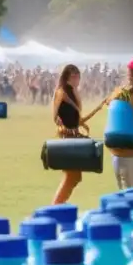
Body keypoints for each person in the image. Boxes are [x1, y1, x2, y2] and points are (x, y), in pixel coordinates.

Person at [82, 57, 133, 189]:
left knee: (124, 198)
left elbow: (106, 106)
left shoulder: (117, 93)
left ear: (128, 73)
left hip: (117, 155)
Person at [52, 64, 88, 205]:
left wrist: (80, 123)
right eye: (73, 76)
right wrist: (63, 126)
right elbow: (55, 116)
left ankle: (60, 203)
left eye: (77, 75)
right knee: (71, 176)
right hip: (67, 137)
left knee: (75, 176)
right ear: (66, 77)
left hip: (74, 135)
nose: (76, 78)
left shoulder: (73, 91)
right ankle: (56, 205)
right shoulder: (62, 92)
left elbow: (74, 114)